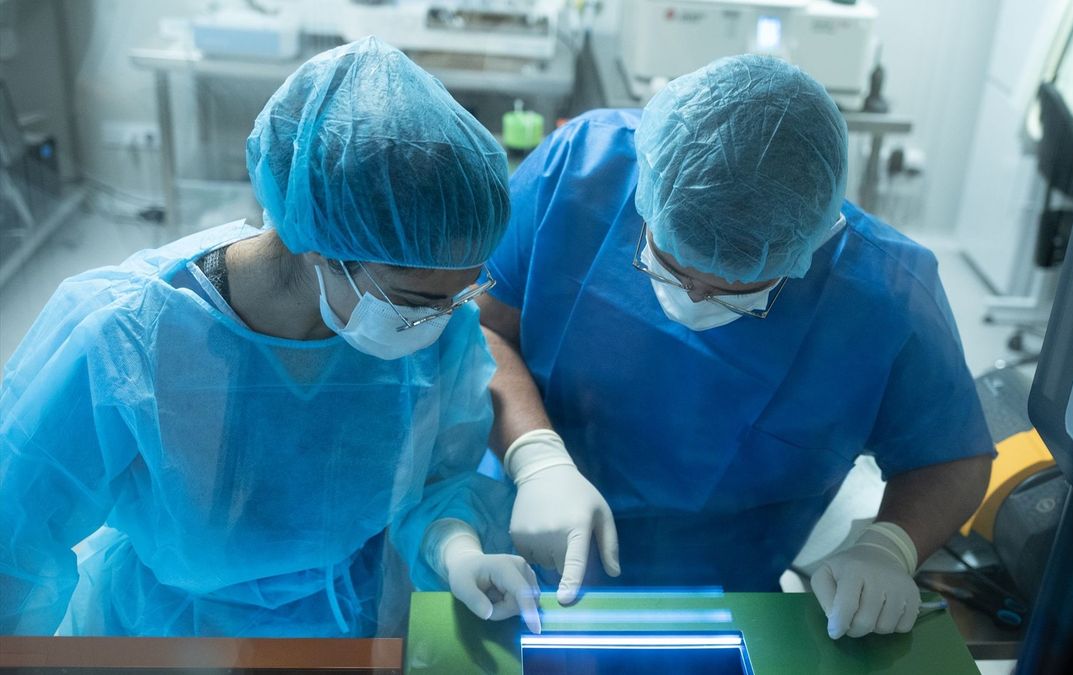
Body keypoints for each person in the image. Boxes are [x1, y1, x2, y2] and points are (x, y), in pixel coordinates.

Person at [0, 37, 539, 637]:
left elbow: (436, 483)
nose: (443, 319)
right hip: (165, 634)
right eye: (415, 300)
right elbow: (13, 544)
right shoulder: (127, 340)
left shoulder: (429, 325)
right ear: (322, 245)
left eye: (459, 294)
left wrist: (456, 548)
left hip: (349, 623)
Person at [479, 54, 995, 639]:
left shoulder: (884, 294)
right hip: (521, 549)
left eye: (733, 295)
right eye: (669, 270)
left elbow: (951, 455)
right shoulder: (578, 172)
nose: (693, 297)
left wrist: (889, 546)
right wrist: (537, 459)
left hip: (728, 596)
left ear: (807, 247)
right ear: (645, 199)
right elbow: (484, 328)